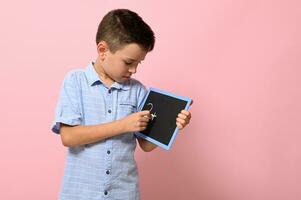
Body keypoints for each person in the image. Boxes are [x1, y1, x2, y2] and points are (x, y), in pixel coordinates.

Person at [51, 8, 192, 200]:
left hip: (124, 193)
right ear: (103, 50)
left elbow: (146, 145)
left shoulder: (138, 91)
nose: (133, 70)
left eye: (139, 63)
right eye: (128, 62)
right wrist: (123, 125)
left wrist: (172, 125)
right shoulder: (75, 81)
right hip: (80, 194)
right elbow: (68, 137)